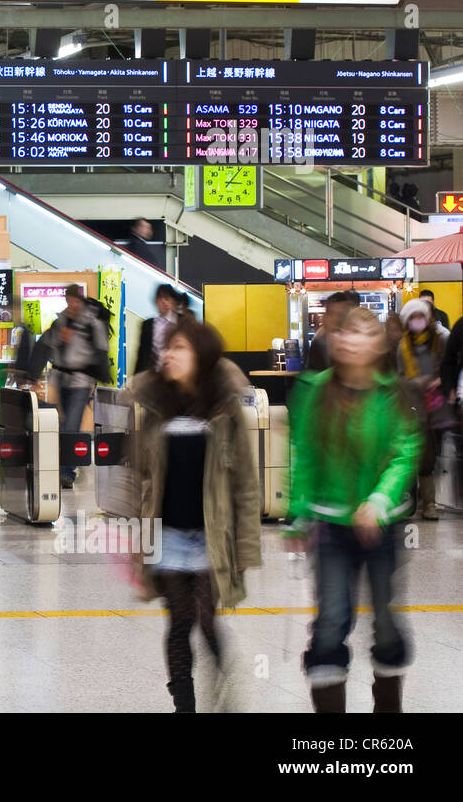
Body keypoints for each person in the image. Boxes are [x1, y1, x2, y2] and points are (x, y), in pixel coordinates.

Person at [287, 307, 421, 713]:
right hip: (330, 525)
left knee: (384, 621)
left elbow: (406, 450)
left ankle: (388, 707)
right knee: (330, 621)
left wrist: (380, 500)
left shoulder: (394, 392)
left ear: (378, 344)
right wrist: (297, 513)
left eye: (365, 334)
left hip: (384, 527)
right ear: (336, 340)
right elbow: (305, 454)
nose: (353, 341)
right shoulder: (315, 390)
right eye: (346, 333)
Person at [127, 319, 261, 712]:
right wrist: (138, 544)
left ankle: (223, 686)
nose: (169, 355)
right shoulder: (153, 405)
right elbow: (139, 480)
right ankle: (184, 702)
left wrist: (245, 551)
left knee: (207, 619)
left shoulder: (226, 409)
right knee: (180, 619)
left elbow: (246, 486)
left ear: (201, 356)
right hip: (166, 534)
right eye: (167, 348)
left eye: (180, 348)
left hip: (211, 536)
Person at [25, 284, 109, 490]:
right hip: (61, 379)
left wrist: (98, 376)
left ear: (80, 301)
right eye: (68, 301)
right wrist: (33, 374)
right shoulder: (60, 321)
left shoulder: (92, 323)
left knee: (71, 425)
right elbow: (44, 346)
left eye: (74, 301)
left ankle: (67, 473)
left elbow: (100, 350)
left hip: (81, 381)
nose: (71, 305)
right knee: (63, 426)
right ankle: (65, 465)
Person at [394, 297, 450, 521]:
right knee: (410, 455)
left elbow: (449, 366)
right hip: (412, 408)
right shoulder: (402, 347)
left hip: (435, 407)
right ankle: (411, 501)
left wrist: (439, 380)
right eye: (413, 318)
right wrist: (413, 383)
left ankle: (429, 503)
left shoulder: (440, 341)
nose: (417, 321)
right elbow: (400, 377)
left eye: (421, 317)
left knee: (428, 458)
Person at [304, 291, 358, 372]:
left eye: (341, 315)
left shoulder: (358, 343)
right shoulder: (318, 342)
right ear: (325, 317)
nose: (335, 319)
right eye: (331, 314)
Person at [135, 283, 181, 375]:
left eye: (167, 298)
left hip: (176, 374)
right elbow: (142, 354)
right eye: (160, 299)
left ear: (173, 301)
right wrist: (136, 377)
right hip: (153, 376)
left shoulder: (182, 322)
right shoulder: (147, 325)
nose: (164, 302)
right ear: (156, 302)